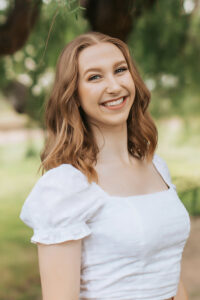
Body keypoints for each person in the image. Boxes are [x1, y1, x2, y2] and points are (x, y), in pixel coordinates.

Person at [20, 31, 190, 300]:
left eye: (120, 70)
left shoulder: (156, 166)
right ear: (73, 95)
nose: (114, 86)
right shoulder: (66, 186)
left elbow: (169, 272)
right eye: (94, 77)